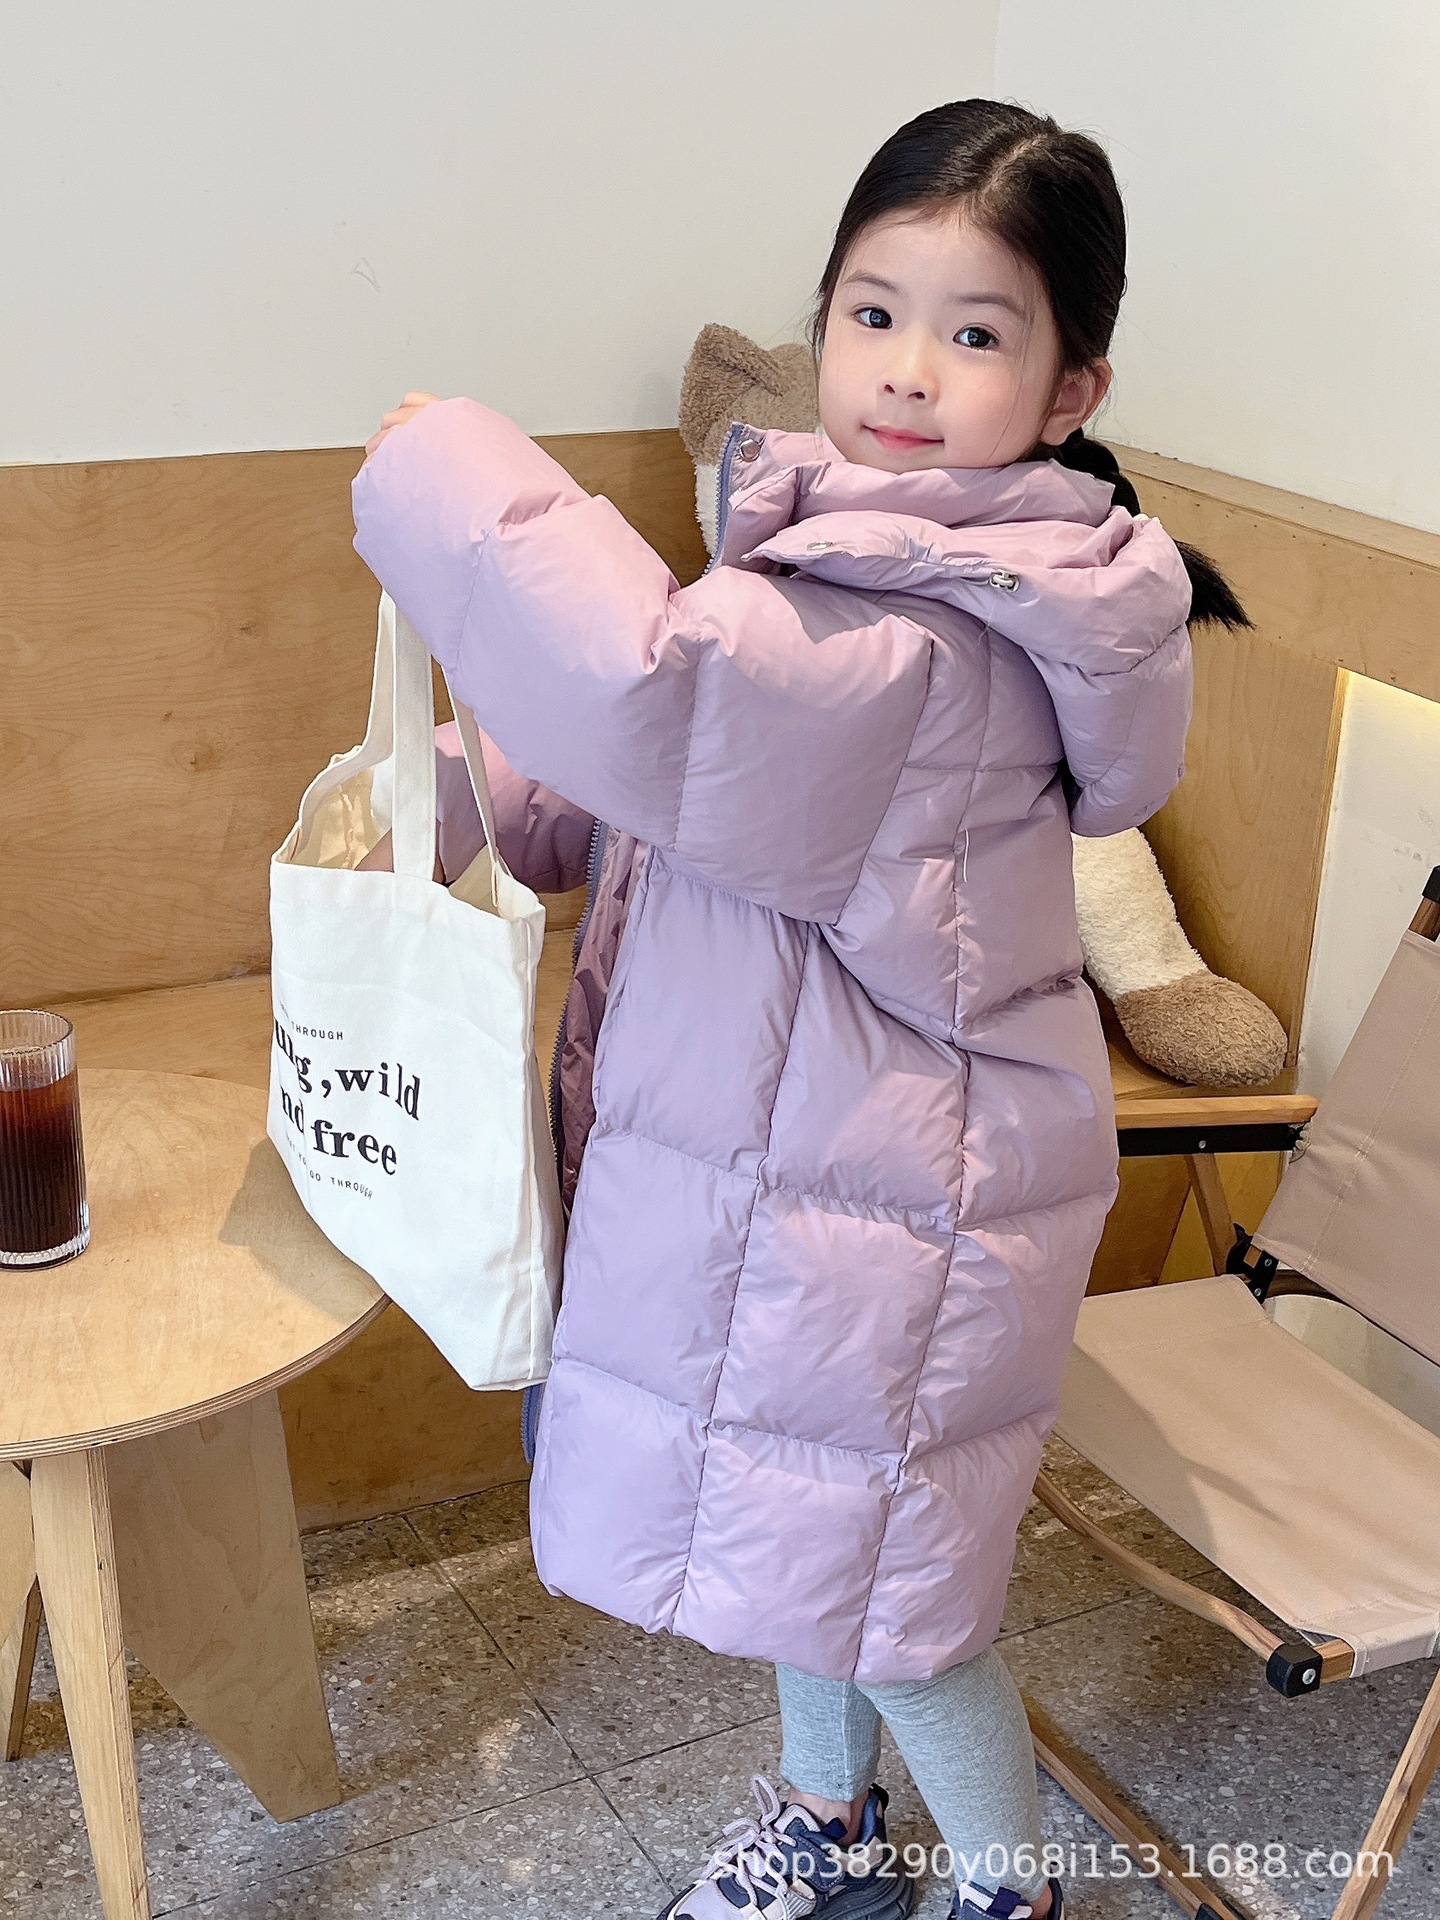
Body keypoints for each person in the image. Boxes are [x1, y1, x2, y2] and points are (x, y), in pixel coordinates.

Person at [354, 97, 1243, 1920]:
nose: (908, 368)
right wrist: (466, 793)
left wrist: (443, 471)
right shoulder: (853, 562)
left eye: (976, 332)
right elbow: (689, 795)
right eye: (873, 311)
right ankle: (834, 1831)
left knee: (896, 1601)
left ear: (1069, 388)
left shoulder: (924, 626)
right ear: (821, 318)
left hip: (880, 1206)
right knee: (801, 1543)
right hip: (817, 1169)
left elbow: (663, 698)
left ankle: (1007, 1890)